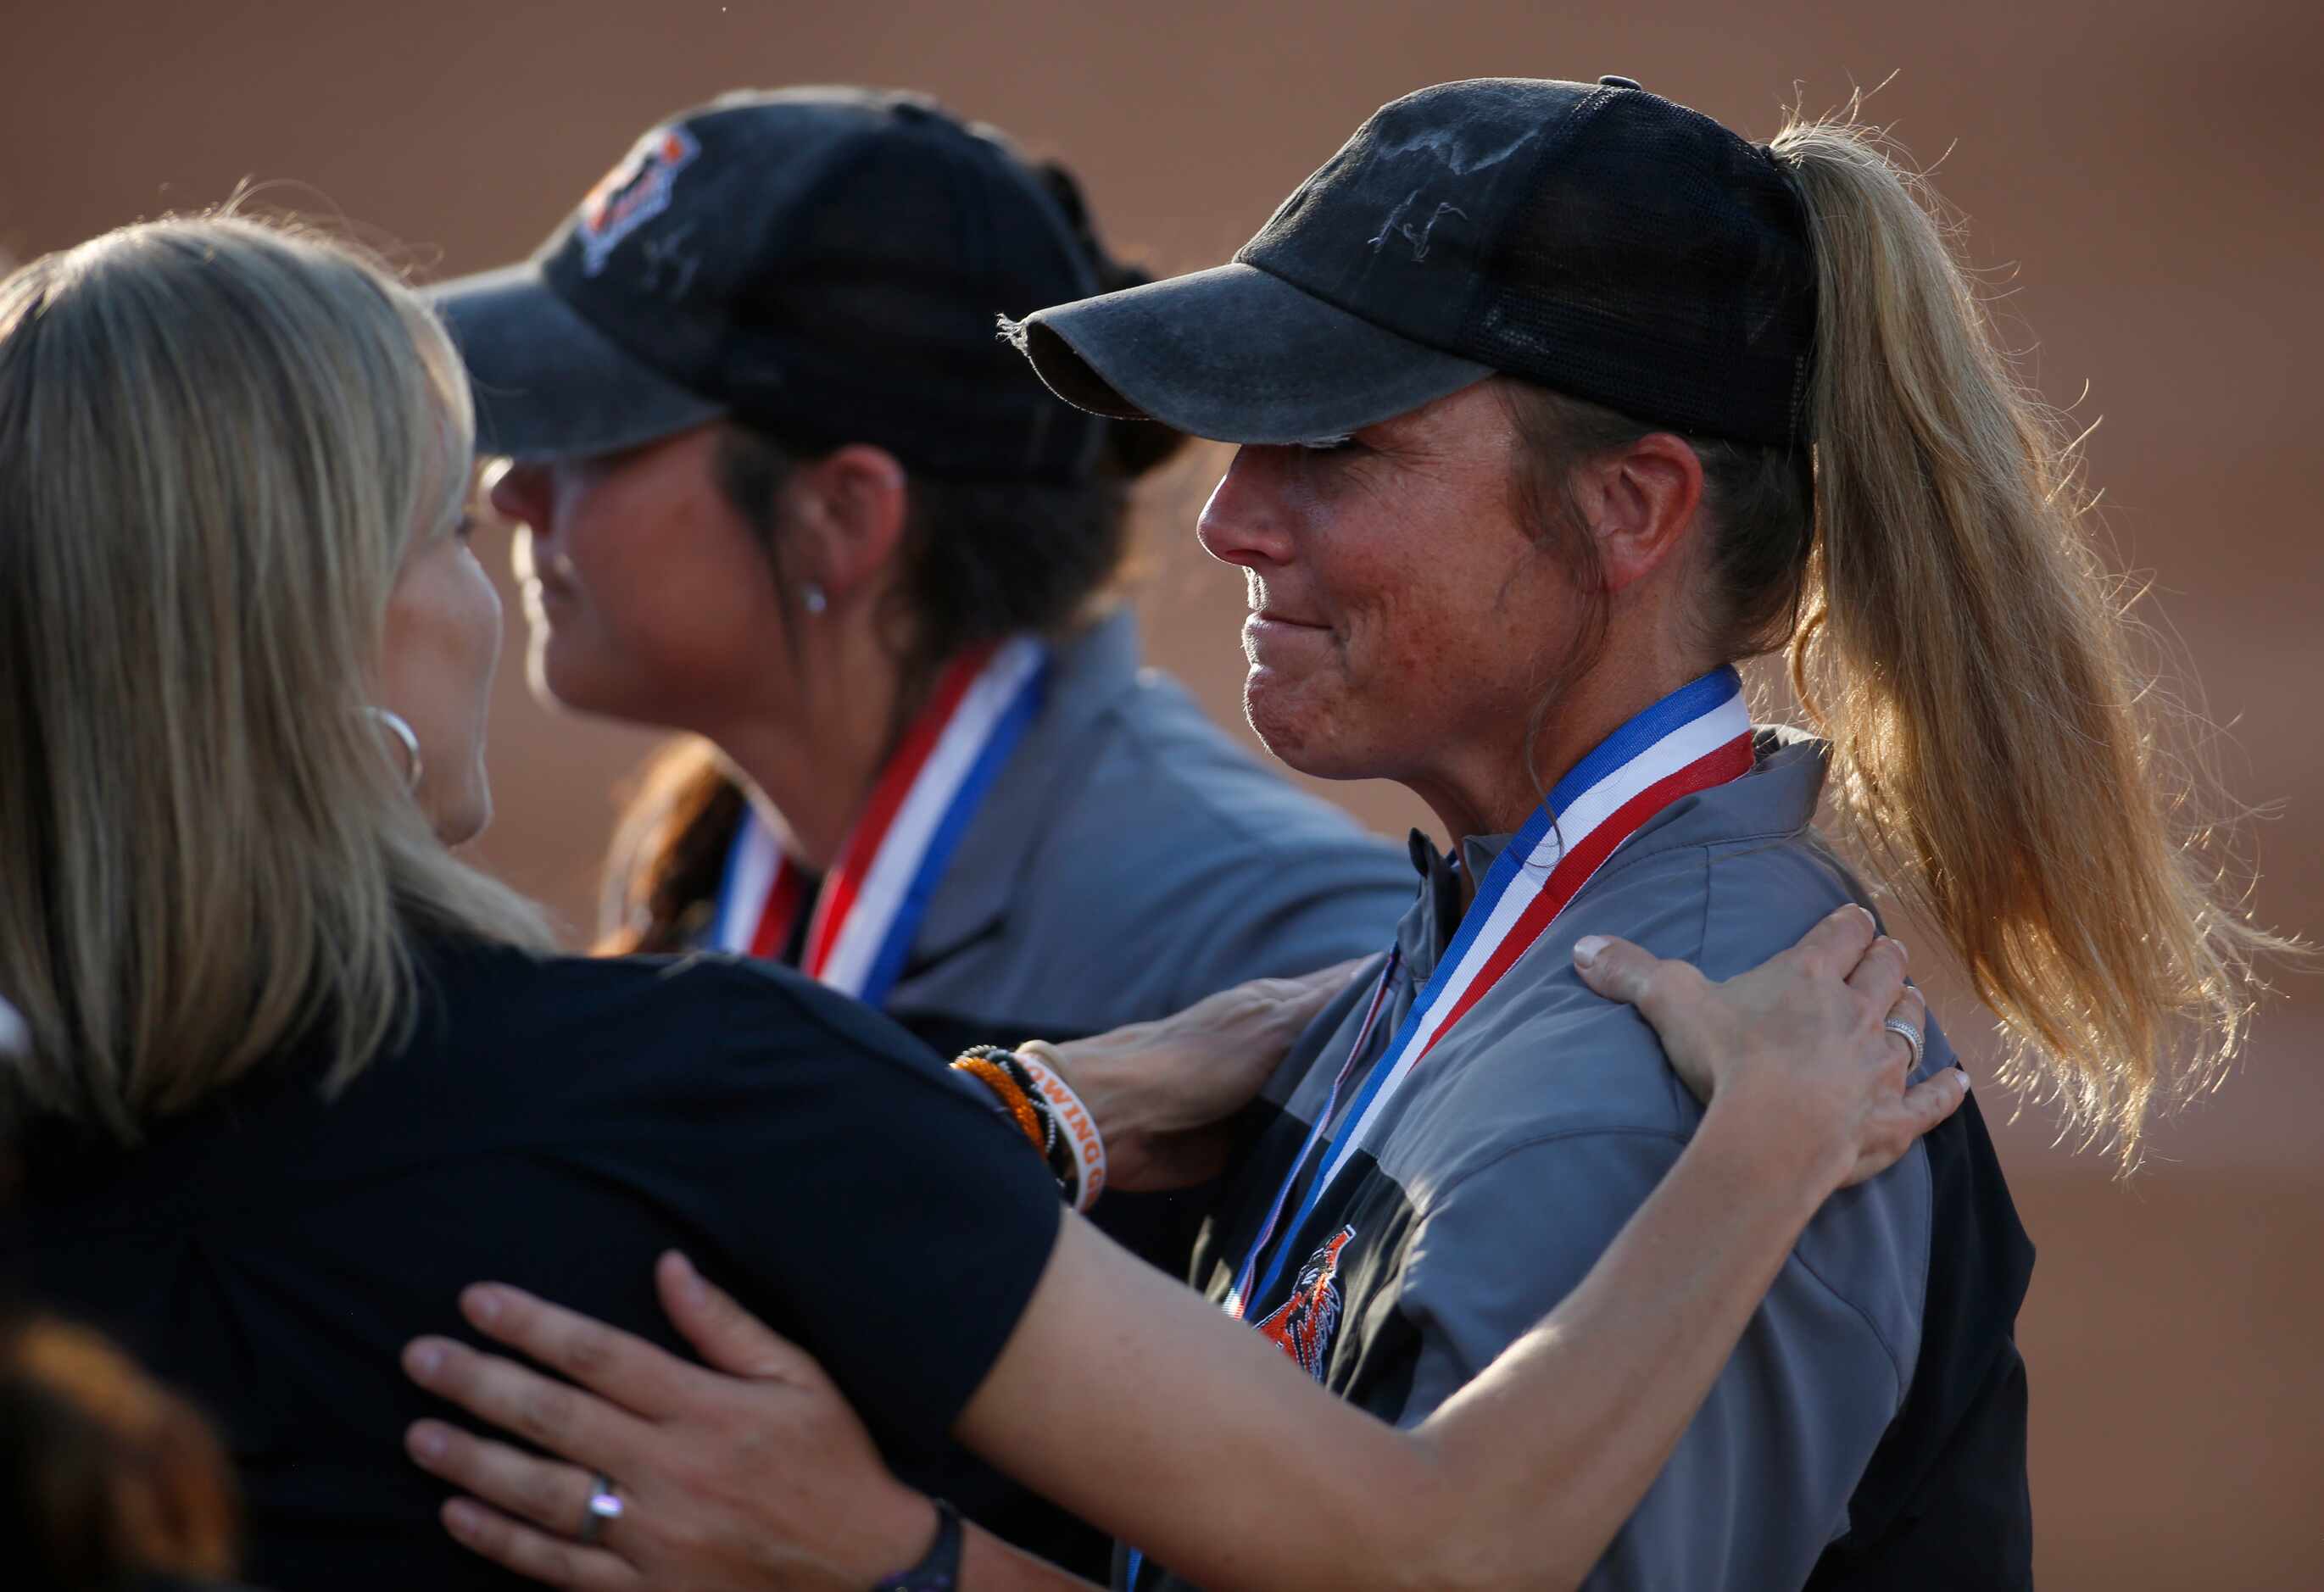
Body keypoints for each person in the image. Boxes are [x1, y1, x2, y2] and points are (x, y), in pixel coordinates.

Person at [403, 76, 2282, 1592]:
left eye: (1334, 447)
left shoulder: (1652, 1088)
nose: (1224, 523)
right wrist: (1056, 1112)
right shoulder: (1460, 952)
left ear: (1628, 510)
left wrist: (896, 1570)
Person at [0, 213, 1958, 1592]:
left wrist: (1029, 1114)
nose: (491, 564)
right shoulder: (703, 1089)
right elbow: (1438, 1546)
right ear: (309, 645)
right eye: (445, 525)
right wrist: (1761, 1150)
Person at [432, 87, 1414, 1053]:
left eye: (598, 437)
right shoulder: (709, 860)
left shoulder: (1284, 946)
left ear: (842, 516)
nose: (513, 490)